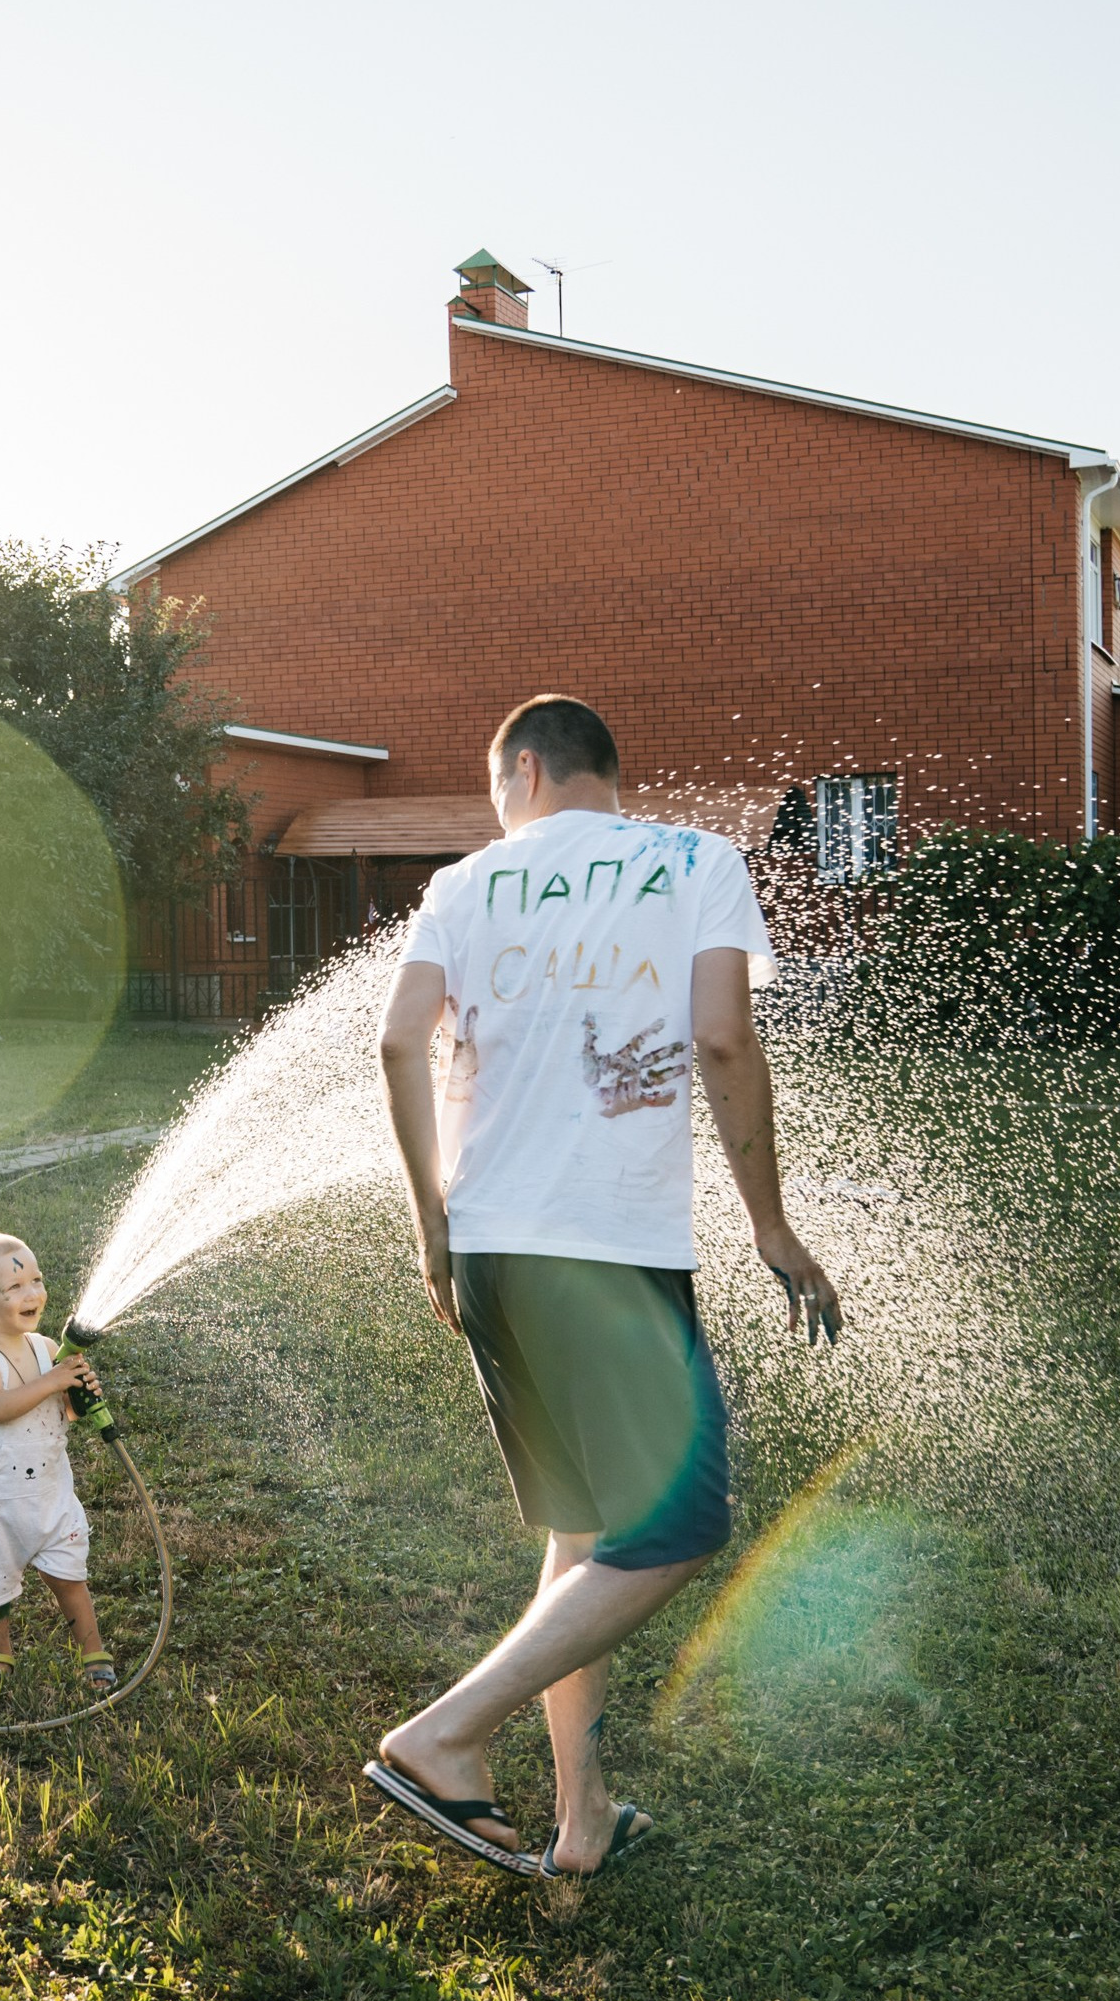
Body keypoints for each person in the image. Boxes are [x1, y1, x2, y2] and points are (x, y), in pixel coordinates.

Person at [364, 694, 843, 1880]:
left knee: (583, 1530)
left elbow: (395, 1043)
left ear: (522, 772)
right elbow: (723, 1039)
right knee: (678, 1523)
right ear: (589, 770)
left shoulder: (462, 884)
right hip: (605, 1251)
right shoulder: (696, 861)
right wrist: (768, 1226)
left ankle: (582, 1820)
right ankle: (443, 1735)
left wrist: (432, 1228)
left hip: (489, 1249)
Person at [0, 1232, 116, 1689]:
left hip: (48, 1488)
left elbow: (57, 1414)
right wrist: (54, 1380)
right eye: (16, 1288)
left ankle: (92, 1650)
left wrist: (78, 1398)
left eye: (37, 1280)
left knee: (68, 1575)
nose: (34, 1293)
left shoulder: (46, 1348)